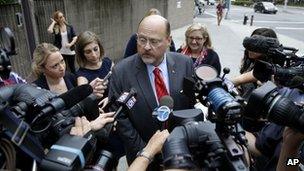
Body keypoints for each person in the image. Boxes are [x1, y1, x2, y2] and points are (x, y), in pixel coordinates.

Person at [109, 15, 193, 170]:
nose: (146, 47)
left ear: (168, 40)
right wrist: (146, 153)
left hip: (181, 152)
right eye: (141, 40)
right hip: (142, 156)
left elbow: (190, 104)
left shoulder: (185, 63)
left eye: (154, 41)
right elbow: (120, 118)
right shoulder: (121, 72)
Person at [75, 31, 113, 100]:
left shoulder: (108, 62)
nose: (94, 55)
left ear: (100, 47)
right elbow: (83, 101)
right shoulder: (82, 77)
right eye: (88, 52)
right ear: (82, 54)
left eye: (95, 49)